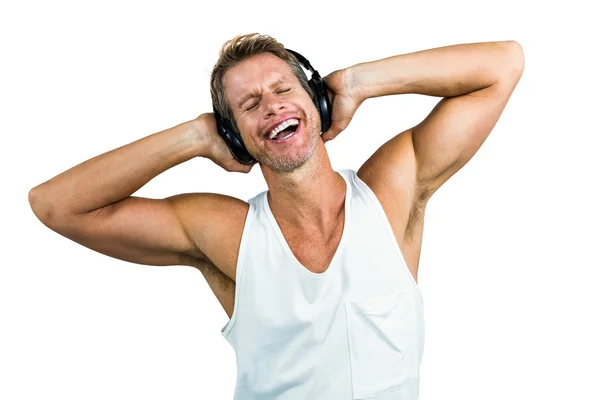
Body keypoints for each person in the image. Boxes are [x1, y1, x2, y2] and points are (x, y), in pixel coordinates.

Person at [28, 33, 524, 399]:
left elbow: (505, 63)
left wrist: (357, 82)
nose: (271, 106)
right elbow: (56, 205)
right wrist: (194, 138)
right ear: (233, 134)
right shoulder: (225, 232)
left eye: (284, 89)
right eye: (249, 104)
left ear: (316, 101)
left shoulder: (391, 191)